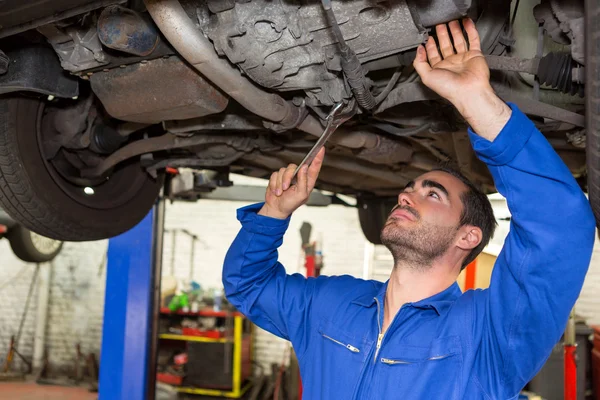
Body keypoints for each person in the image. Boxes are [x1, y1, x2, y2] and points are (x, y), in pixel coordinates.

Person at [223, 18, 595, 399]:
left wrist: (477, 102)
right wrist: (274, 212)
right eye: (409, 189)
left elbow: (561, 227)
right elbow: (248, 286)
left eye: (432, 194)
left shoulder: (487, 336)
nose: (405, 196)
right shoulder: (331, 304)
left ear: (468, 235)